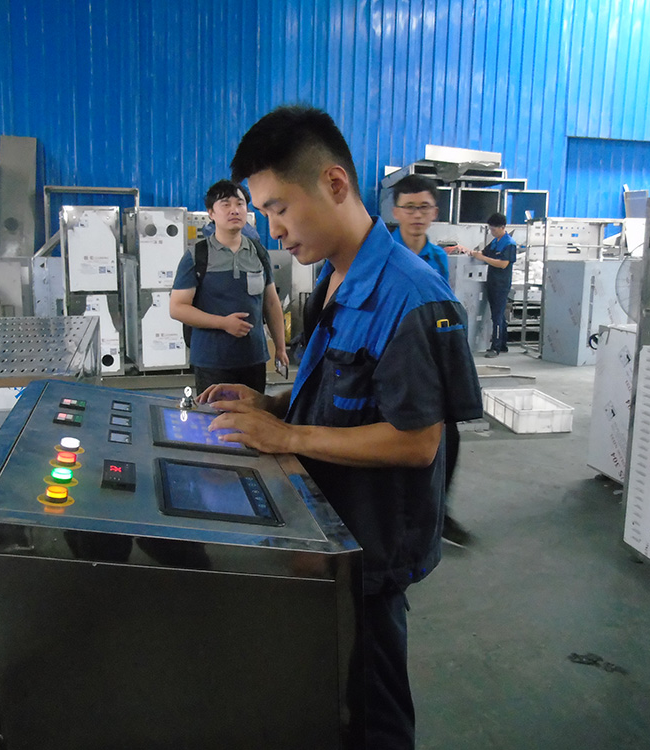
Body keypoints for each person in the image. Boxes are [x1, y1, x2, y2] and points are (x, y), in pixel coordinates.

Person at [198, 105, 482, 750]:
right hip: (325, 532)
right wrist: (271, 406)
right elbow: (338, 395)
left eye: (278, 208)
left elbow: (417, 441)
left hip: (369, 549)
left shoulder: (412, 296)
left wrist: (287, 438)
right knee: (330, 702)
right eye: (263, 212)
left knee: (374, 714)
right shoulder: (334, 276)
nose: (274, 231)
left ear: (333, 183)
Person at [390, 174, 470, 548]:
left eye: (424, 207)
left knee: (448, 434)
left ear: (435, 212)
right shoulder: (380, 252)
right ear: (396, 212)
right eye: (409, 207)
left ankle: (439, 512)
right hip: (391, 360)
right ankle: (401, 519)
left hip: (429, 358)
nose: (417, 215)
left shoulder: (437, 257)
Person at [170, 180, 288, 394]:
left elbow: (271, 304)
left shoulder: (259, 253)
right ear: (211, 213)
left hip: (253, 358)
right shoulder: (197, 256)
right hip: (212, 361)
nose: (234, 210)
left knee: (253, 413)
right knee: (216, 414)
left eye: (240, 204)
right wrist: (223, 323)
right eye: (225, 204)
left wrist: (280, 347)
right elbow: (177, 308)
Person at [462, 212, 517, 358]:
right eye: (490, 229)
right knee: (498, 314)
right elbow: (483, 253)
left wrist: (483, 258)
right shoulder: (495, 242)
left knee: (496, 316)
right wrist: (470, 252)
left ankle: (495, 347)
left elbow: (503, 264)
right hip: (492, 282)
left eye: (494, 229)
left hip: (501, 284)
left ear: (502, 227)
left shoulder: (509, 244)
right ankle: (503, 344)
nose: (492, 232)